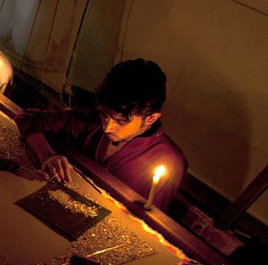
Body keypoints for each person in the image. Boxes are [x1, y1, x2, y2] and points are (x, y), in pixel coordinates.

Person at [15, 58, 187, 211]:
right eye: (105, 115)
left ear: (151, 118)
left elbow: (152, 220)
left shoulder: (169, 161)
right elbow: (29, 118)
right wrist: (47, 154)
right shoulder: (93, 121)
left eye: (121, 121)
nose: (107, 127)